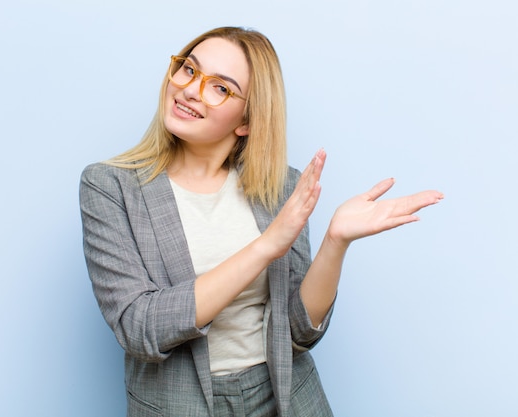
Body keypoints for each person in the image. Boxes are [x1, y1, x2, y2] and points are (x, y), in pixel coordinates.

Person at [79, 26, 443, 417]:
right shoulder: (109, 186)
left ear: (247, 121)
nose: (188, 89)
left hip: (286, 397)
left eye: (220, 87)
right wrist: (266, 246)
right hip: (177, 404)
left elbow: (299, 333)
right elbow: (140, 328)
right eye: (188, 69)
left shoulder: (282, 187)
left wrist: (336, 241)